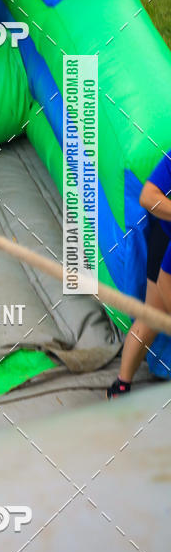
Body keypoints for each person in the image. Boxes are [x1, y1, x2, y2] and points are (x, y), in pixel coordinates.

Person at [107, 151, 171, 397]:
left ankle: (122, 384)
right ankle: (122, 384)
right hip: (165, 241)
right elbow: (147, 197)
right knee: (152, 315)